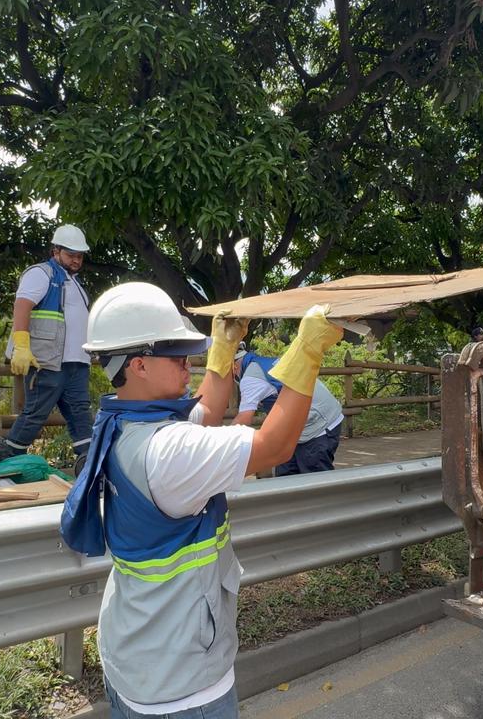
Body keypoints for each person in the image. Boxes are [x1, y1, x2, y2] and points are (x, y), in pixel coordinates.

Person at [59, 283, 342, 717]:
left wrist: (222, 350)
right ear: (138, 365)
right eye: (177, 357)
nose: (187, 365)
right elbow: (274, 446)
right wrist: (307, 350)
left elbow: (206, 414)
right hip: (182, 684)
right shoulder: (170, 452)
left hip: (132, 655)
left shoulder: (120, 420)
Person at [5, 224, 93, 463]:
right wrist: (21, 346)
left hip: (76, 363)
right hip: (47, 361)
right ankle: (8, 463)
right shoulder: (41, 273)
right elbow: (22, 305)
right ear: (56, 252)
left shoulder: (75, 283)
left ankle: (89, 466)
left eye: (79, 256)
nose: (76, 260)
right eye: (71, 255)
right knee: (34, 414)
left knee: (80, 414)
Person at [232, 344, 343, 476]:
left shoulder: (251, 378)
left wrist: (219, 444)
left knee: (314, 483)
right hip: (303, 424)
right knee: (286, 478)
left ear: (234, 367)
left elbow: (244, 418)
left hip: (319, 425)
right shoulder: (263, 363)